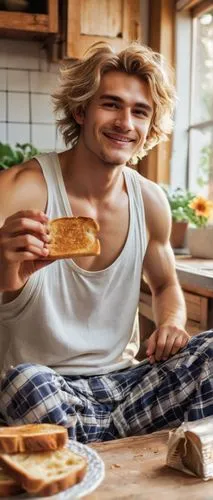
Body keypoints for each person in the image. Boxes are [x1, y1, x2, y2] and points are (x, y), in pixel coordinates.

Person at [0, 42, 212, 443]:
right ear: (81, 111)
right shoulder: (21, 188)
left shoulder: (151, 201)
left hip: (125, 385)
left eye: (140, 111)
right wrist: (4, 269)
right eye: (111, 105)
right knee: (25, 384)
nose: (124, 122)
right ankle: (130, 446)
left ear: (150, 127)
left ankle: (86, 447)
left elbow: (165, 285)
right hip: (47, 388)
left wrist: (170, 323)